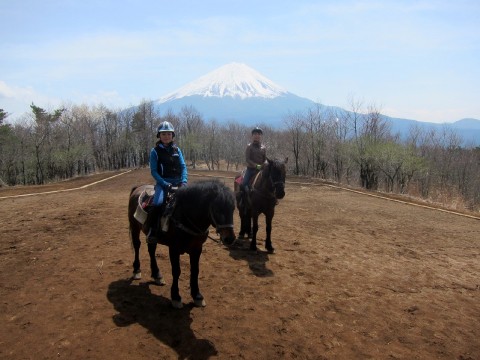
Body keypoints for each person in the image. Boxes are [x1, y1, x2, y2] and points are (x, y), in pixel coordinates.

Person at [146, 121, 188, 243]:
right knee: (158, 203)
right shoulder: (155, 151)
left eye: (169, 134)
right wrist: (165, 184)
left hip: (179, 182)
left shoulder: (177, 150)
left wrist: (184, 181)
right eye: (163, 134)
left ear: (172, 135)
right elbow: (154, 171)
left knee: (191, 202)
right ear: (159, 136)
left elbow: (183, 166)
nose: (166, 136)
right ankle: (152, 231)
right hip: (163, 183)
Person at [241, 127, 267, 194]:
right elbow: (248, 159)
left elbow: (265, 159)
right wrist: (256, 166)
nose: (257, 136)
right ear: (252, 136)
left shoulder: (263, 148)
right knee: (244, 184)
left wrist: (265, 164)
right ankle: (244, 198)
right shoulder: (249, 146)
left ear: (260, 136)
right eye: (255, 134)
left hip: (261, 170)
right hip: (250, 170)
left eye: (258, 134)